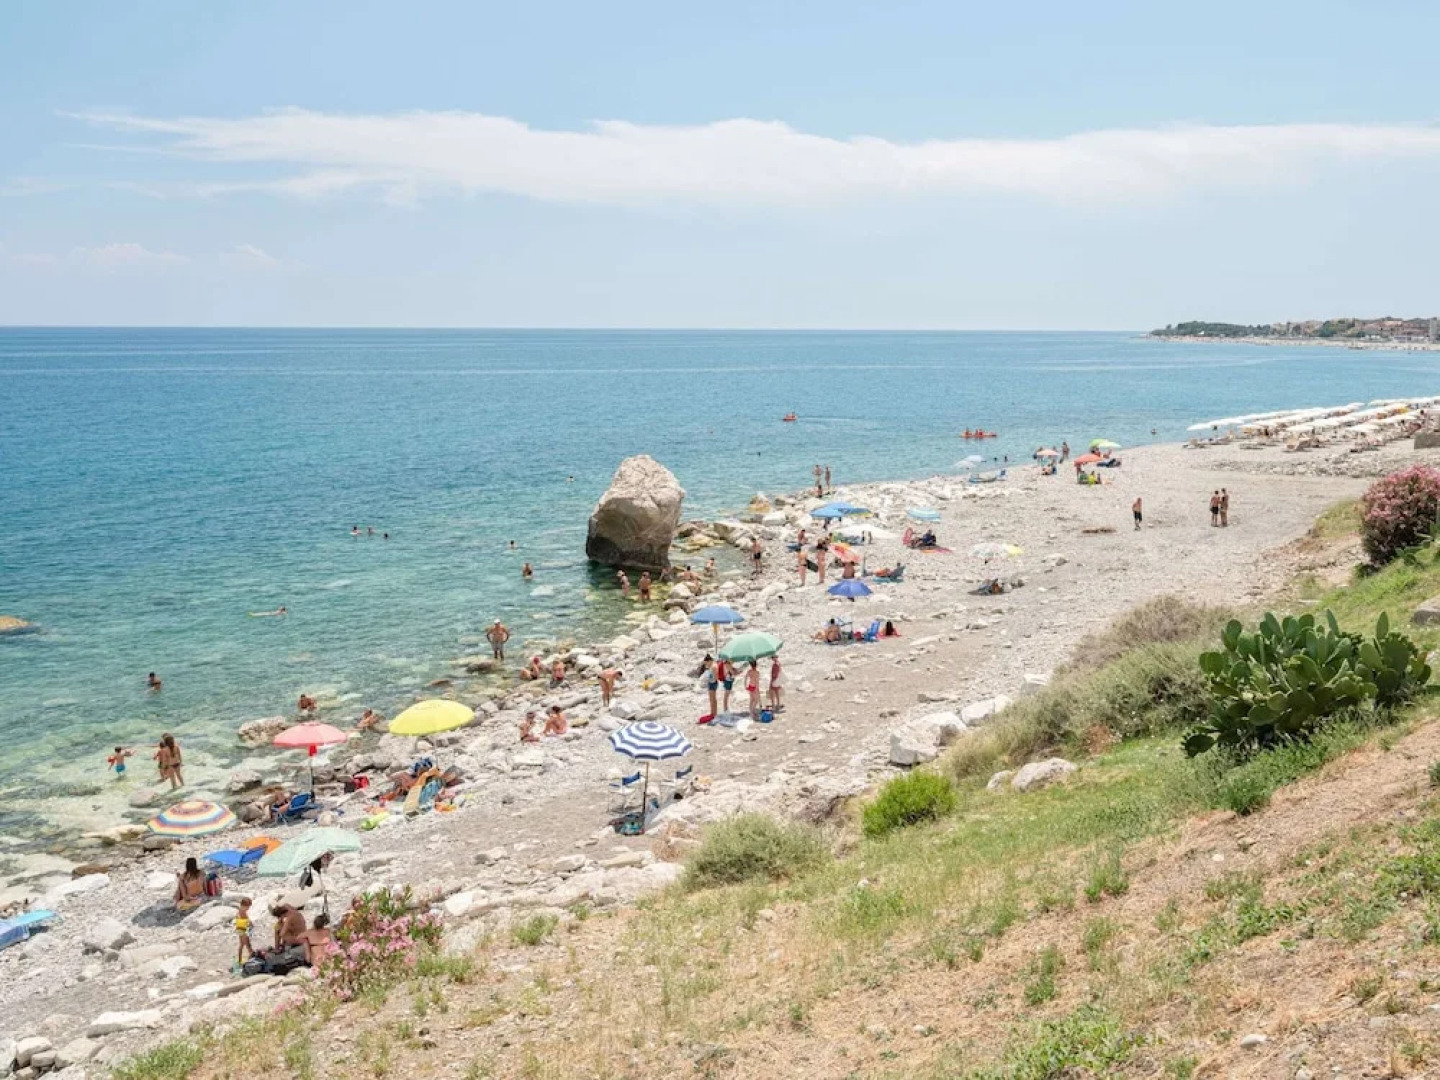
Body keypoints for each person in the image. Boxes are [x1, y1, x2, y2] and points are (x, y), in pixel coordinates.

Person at [234, 896, 254, 969]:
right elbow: (239, 919)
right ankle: (252, 959)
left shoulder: (243, 911)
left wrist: (250, 922)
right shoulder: (239, 913)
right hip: (242, 930)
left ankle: (239, 961)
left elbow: (247, 918)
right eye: (248, 907)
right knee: (248, 945)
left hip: (242, 930)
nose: (248, 908)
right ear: (243, 905)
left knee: (242, 945)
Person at [700, 655, 719, 721]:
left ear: (709, 661)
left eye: (707, 663)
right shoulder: (713, 665)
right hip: (712, 683)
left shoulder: (714, 666)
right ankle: (714, 713)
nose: (706, 665)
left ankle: (713, 713)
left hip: (712, 683)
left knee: (712, 699)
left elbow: (716, 676)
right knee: (713, 699)